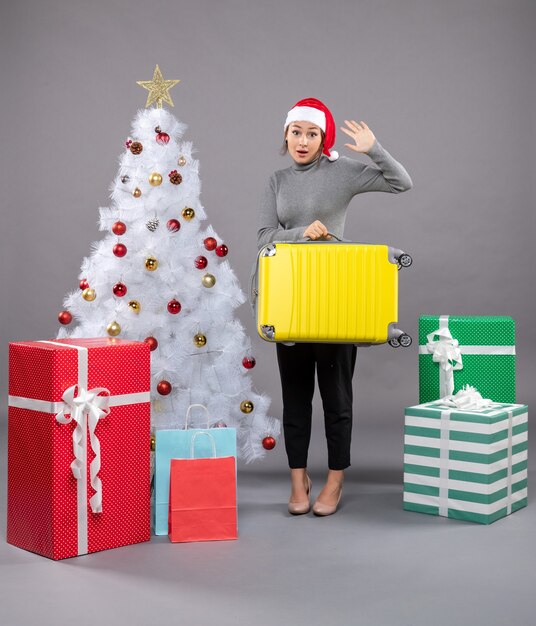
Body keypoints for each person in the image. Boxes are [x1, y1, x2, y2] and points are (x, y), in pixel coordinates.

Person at [257, 97, 412, 516]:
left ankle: (336, 480)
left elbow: (402, 182)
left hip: (337, 298)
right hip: (290, 299)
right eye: (295, 132)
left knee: (337, 399)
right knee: (295, 399)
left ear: (323, 139)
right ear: (285, 135)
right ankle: (298, 479)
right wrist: (299, 232)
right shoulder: (277, 180)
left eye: (311, 134)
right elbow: (263, 238)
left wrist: (374, 148)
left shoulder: (342, 173)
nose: (302, 141)